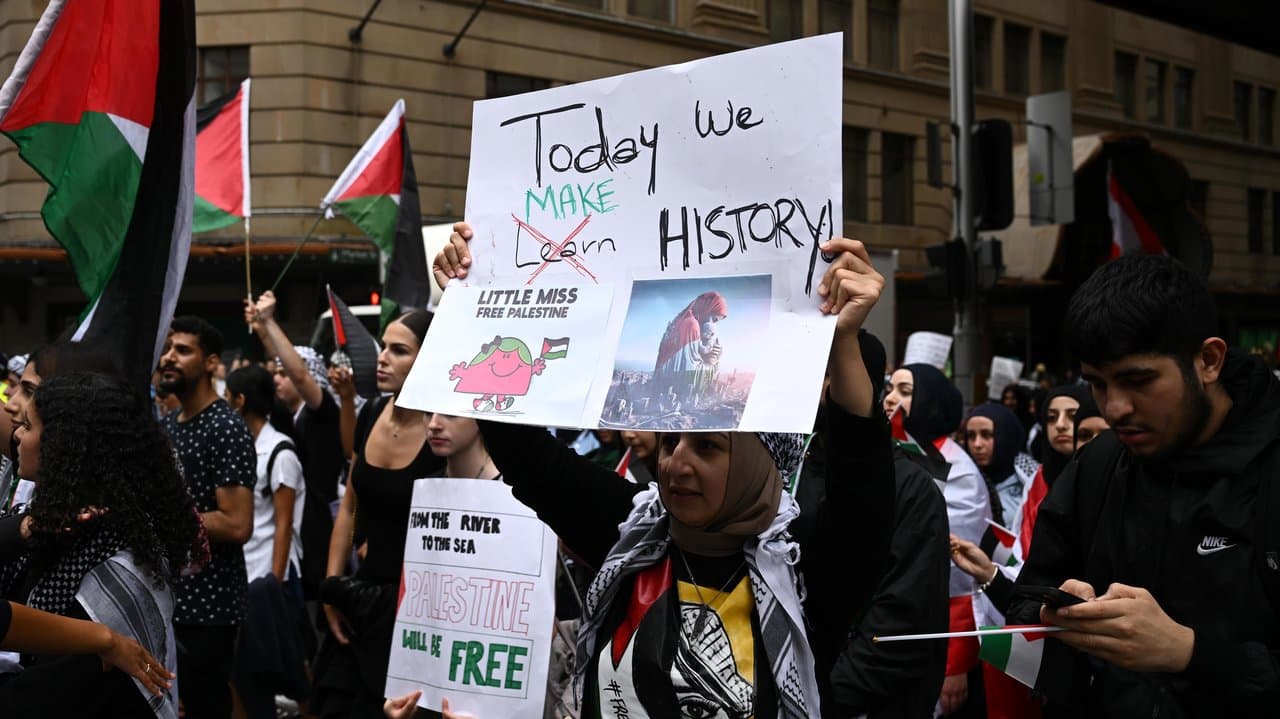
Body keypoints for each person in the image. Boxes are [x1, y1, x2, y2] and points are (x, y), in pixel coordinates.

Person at [434, 222, 894, 719]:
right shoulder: (631, 533)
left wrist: (844, 340)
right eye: (671, 440)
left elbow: (863, 488)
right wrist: (481, 304)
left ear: (757, 466)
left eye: (708, 446)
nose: (677, 462)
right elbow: (528, 458)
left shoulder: (807, 568)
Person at [1007, 254, 1280, 716]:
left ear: (1209, 360)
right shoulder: (1098, 464)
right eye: (1097, 384)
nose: (1114, 409)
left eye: (1138, 380)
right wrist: (1057, 611)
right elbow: (1030, 594)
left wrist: (1190, 653)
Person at [0, 372, 205, 717]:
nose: (17, 434)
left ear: (64, 448)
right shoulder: (45, 523)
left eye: (30, 427)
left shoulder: (121, 563)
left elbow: (50, 693)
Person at [312, 309, 444, 718]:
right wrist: (332, 588)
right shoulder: (370, 413)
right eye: (383, 346)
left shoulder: (447, 429)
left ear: (429, 358)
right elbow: (349, 508)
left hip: (422, 609)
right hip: (362, 600)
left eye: (398, 350)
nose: (382, 357)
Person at [819, 332, 950, 719]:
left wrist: (825, 698)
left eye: (835, 374)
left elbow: (901, 623)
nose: (822, 387)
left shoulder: (913, 489)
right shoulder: (785, 469)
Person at [158, 316, 256, 719]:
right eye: (167, 349)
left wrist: (165, 517)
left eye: (182, 350)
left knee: (206, 706)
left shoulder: (224, 427)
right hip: (170, 598)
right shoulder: (168, 425)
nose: (168, 357)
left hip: (209, 607)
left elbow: (237, 524)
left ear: (212, 363)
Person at [883, 362, 991, 716]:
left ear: (929, 401)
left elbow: (959, 577)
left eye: (906, 391)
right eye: (890, 388)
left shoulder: (958, 469)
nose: (891, 399)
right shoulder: (895, 451)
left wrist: (955, 663)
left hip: (933, 639)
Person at [246, 291, 346, 600]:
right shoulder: (292, 417)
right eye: (274, 373)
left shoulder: (322, 410)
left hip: (318, 536)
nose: (277, 379)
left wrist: (270, 322)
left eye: (282, 374)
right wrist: (263, 332)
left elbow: (299, 375)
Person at [224, 365, 310, 718]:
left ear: (241, 401)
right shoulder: (243, 446)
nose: (224, 404)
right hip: (246, 578)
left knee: (288, 666)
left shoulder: (280, 452)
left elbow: (285, 522)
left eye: (227, 398)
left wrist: (273, 583)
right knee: (246, 674)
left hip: (271, 582)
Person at [963, 404, 1039, 529]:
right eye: (971, 436)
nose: (977, 444)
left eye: (986, 435)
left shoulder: (1032, 483)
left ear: (1006, 437)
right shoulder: (962, 482)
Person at [653, 291, 727, 404]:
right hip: (672, 389)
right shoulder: (692, 325)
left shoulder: (684, 320)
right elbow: (689, 371)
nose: (713, 324)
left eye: (716, 321)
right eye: (714, 319)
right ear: (707, 309)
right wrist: (713, 362)